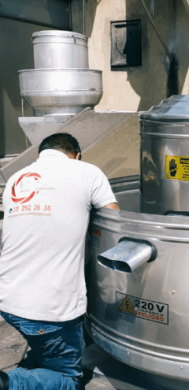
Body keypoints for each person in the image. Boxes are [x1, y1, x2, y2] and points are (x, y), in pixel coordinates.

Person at [0, 133, 119, 390]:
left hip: (7, 299)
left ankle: (30, 375)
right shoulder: (87, 172)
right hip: (51, 309)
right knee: (68, 379)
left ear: (38, 157)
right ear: (77, 155)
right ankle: (7, 383)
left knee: (45, 349)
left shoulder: (15, 178)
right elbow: (114, 223)